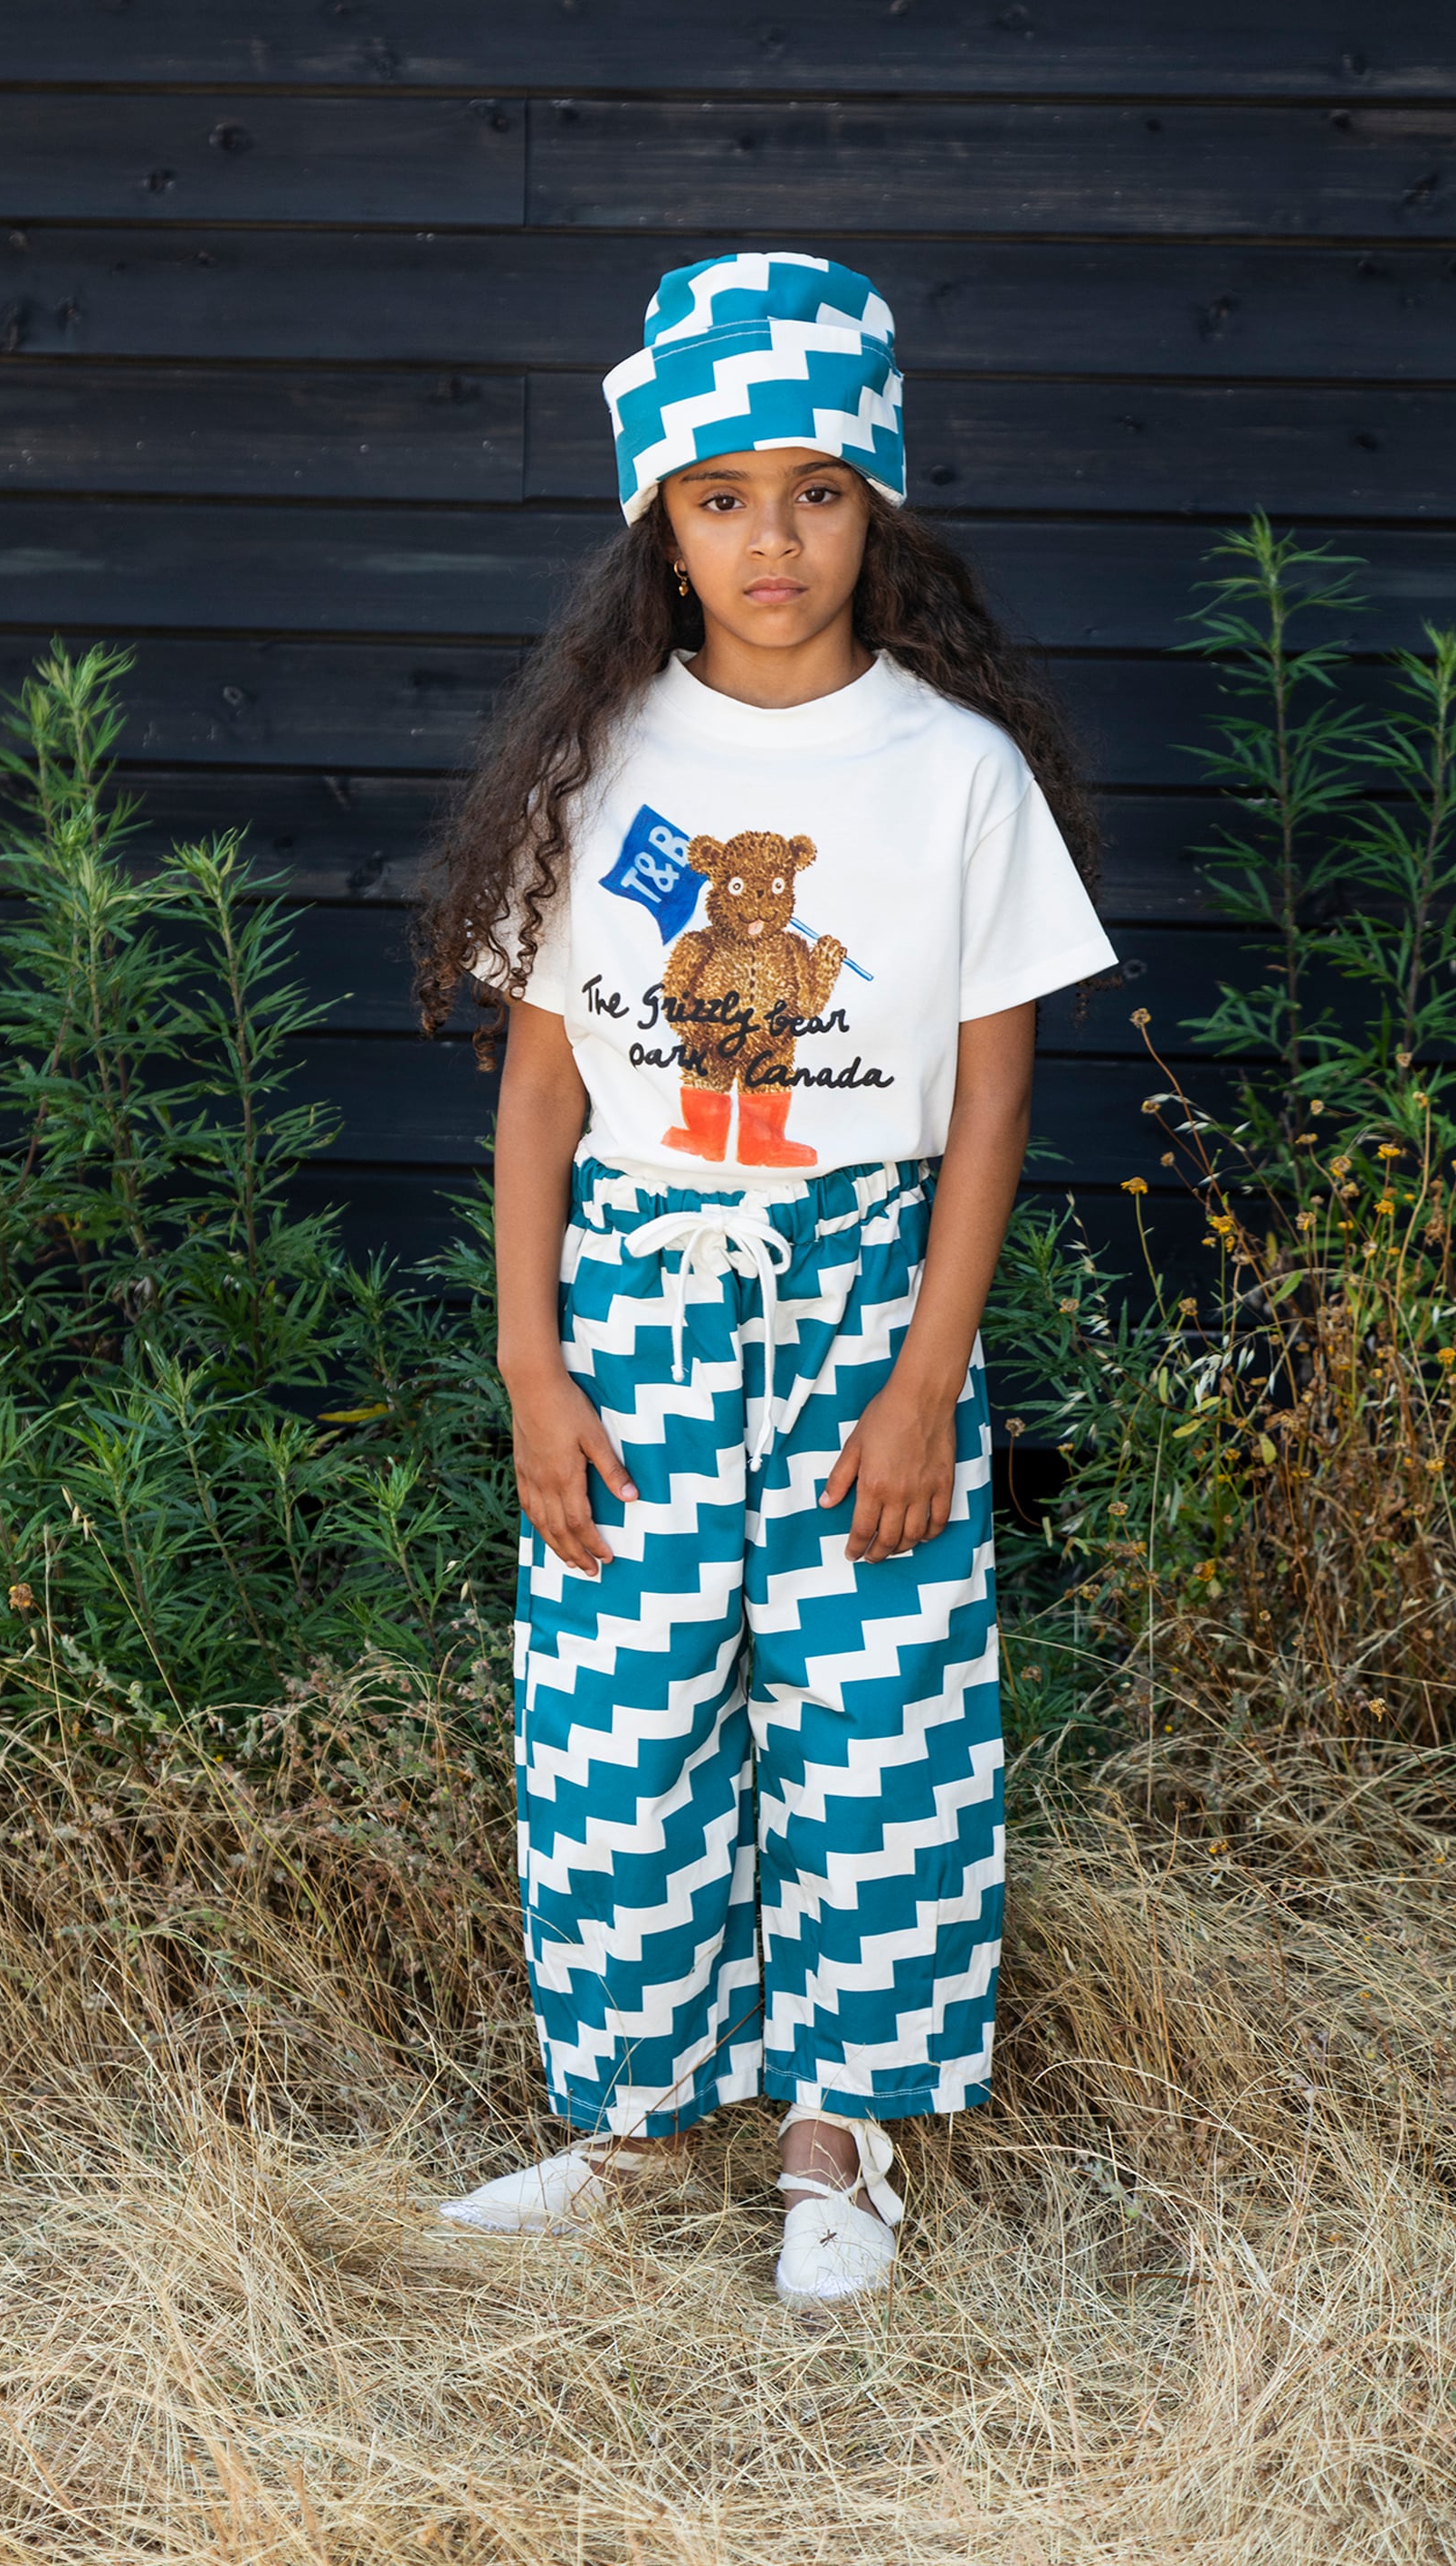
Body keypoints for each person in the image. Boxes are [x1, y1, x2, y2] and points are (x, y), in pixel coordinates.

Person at [414, 251, 1116, 2309]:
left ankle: (839, 2136)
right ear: (661, 519)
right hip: (636, 1288)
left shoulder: (952, 773)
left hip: (868, 1289)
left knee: (874, 1710)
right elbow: (541, 1093)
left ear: (875, 504)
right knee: (617, 1708)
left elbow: (991, 1103)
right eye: (722, 497)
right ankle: (632, 2122)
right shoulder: (604, 766)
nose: (771, 540)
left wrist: (924, 1379)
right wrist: (534, 1365)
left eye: (815, 492)